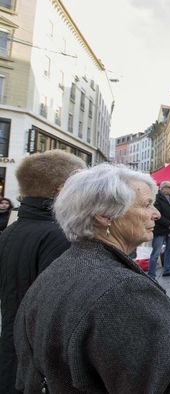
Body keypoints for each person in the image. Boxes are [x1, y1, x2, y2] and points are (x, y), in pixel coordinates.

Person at [13, 164, 170, 393]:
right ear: (105, 215)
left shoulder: (55, 271)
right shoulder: (121, 291)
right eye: (146, 205)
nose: (156, 214)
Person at [0, 150, 86, 394]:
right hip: (41, 368)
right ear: (60, 191)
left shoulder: (12, 231)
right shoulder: (59, 236)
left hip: (13, 357)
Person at [148, 180, 170, 278]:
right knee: (156, 253)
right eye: (169, 187)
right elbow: (156, 214)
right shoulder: (156, 199)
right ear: (162, 188)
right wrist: (169, 223)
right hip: (160, 230)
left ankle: (168, 269)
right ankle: (151, 274)